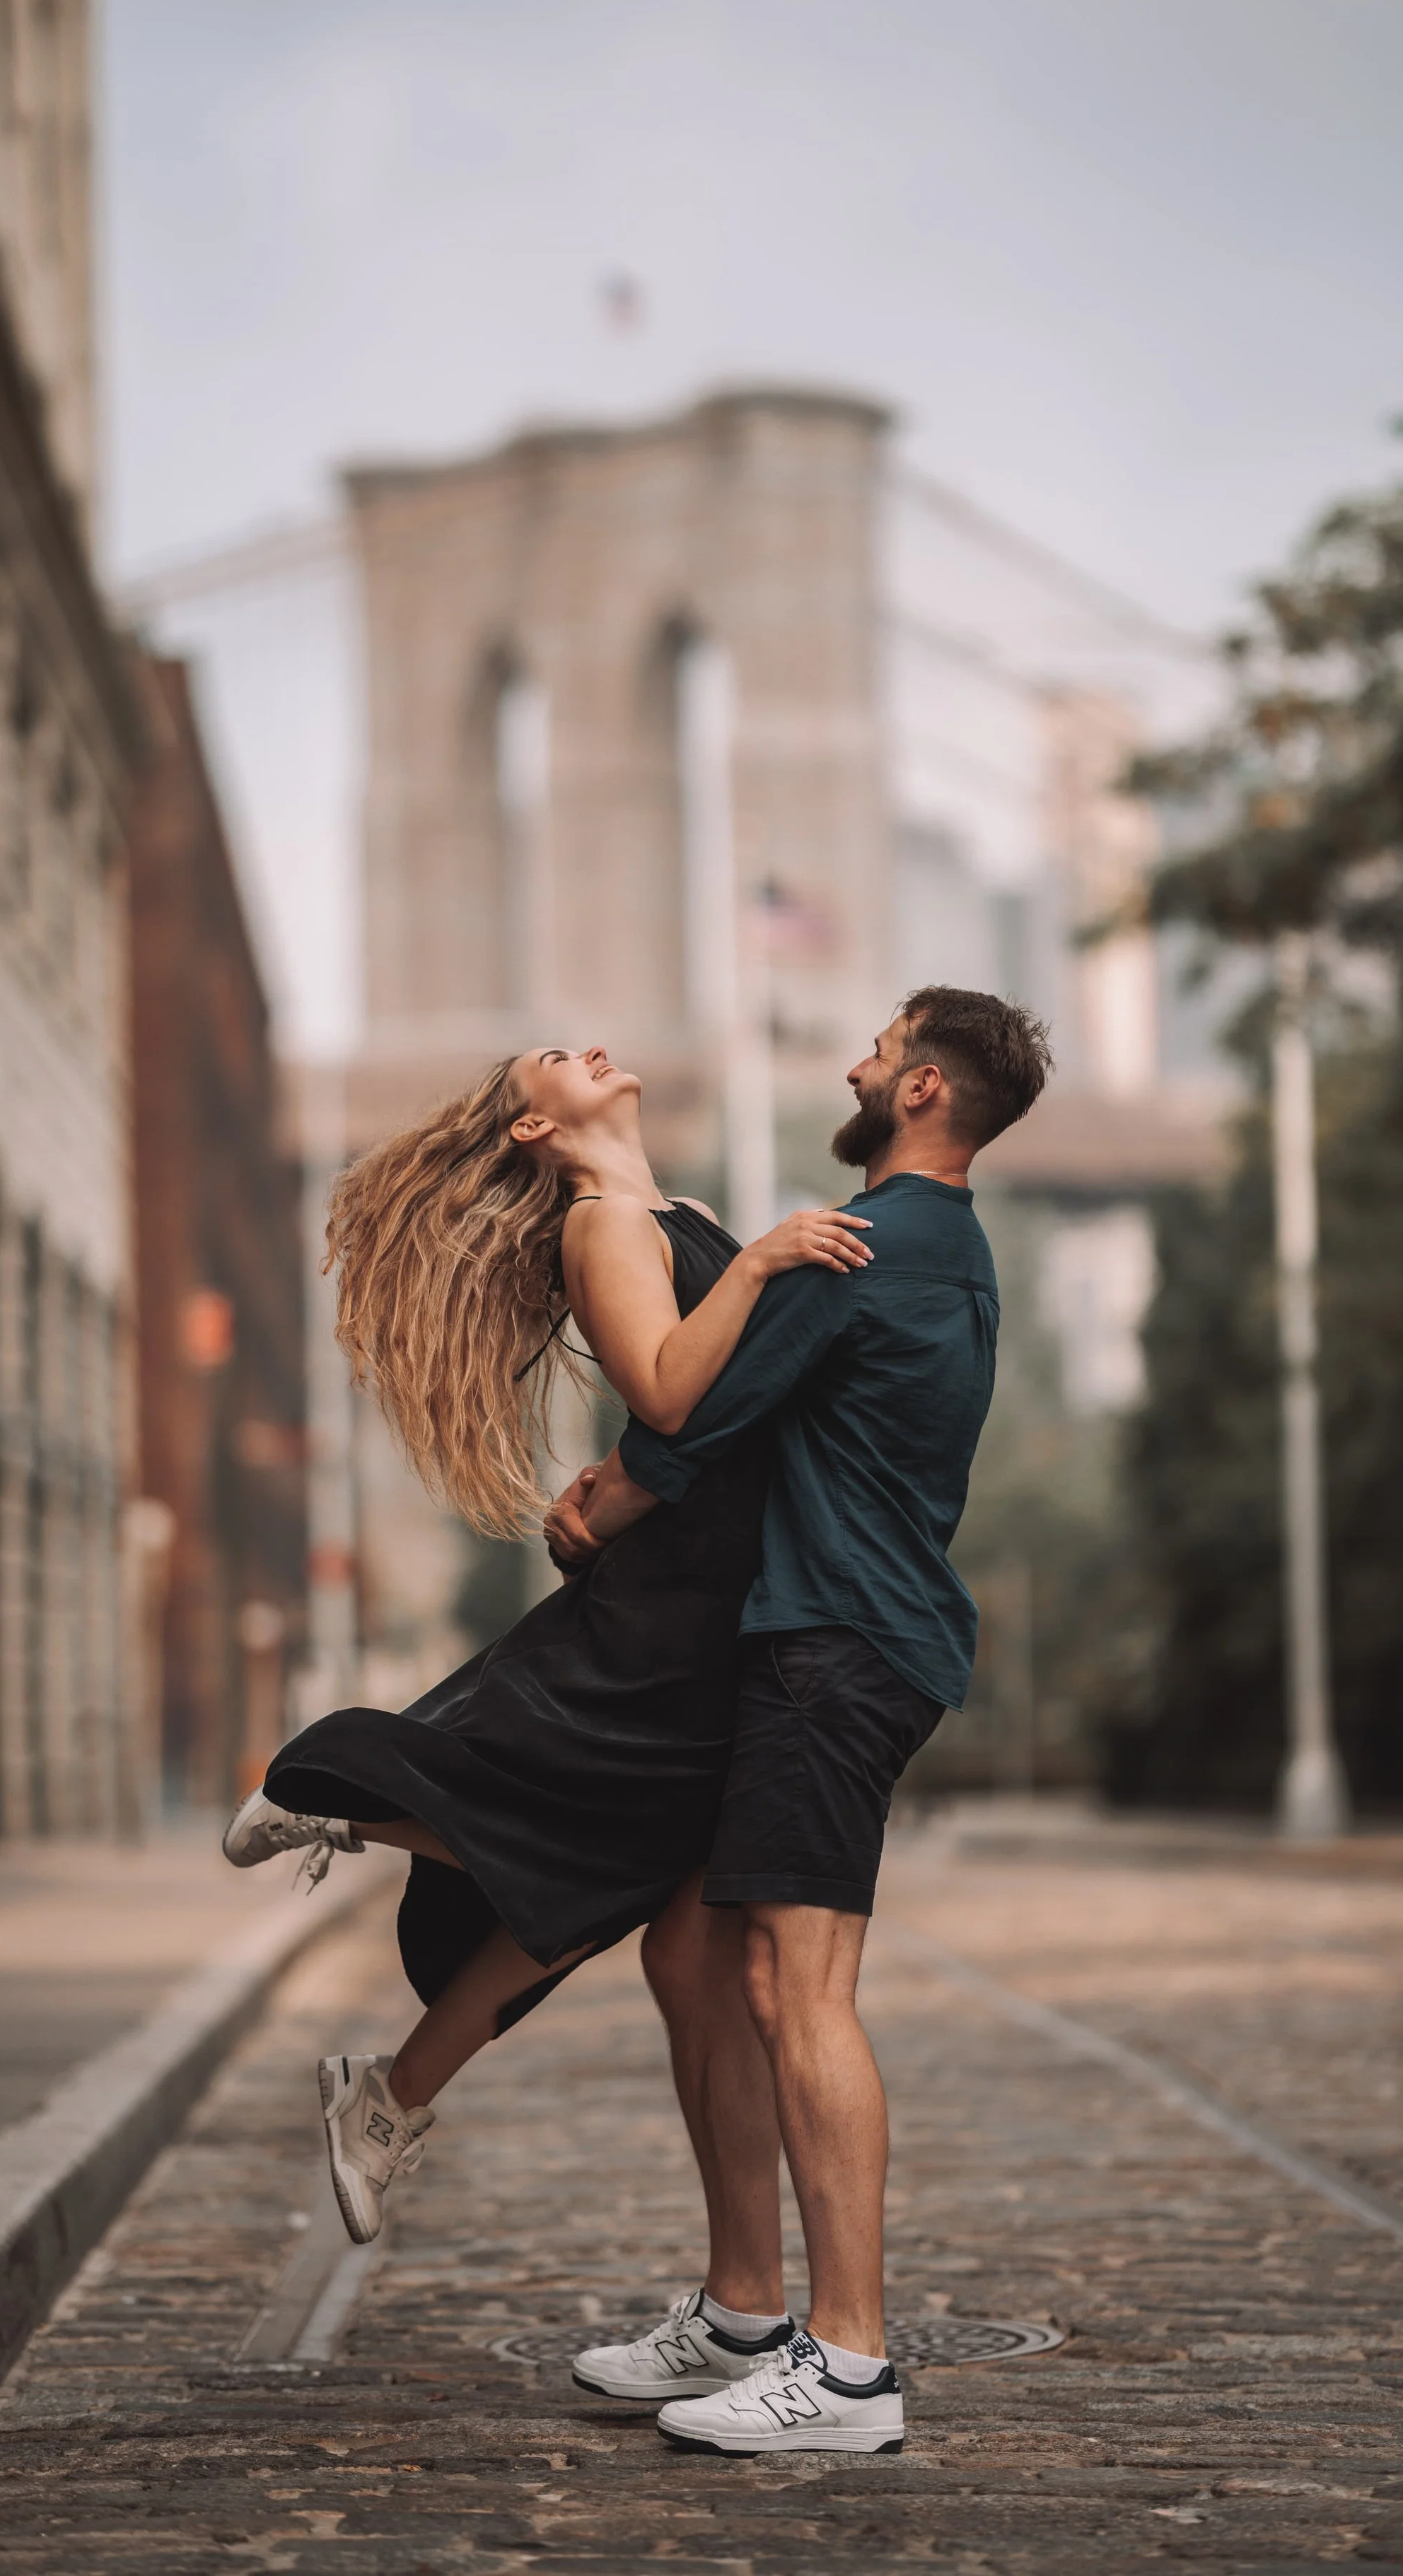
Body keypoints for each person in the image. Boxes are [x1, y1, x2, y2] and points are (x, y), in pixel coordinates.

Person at [221, 1042, 873, 2254]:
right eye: (555, 1060)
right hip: (681, 1596)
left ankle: (391, 2096)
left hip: (733, 1585)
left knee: (597, 1888)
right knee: (597, 1857)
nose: (594, 1050)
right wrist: (773, 1259)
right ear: (533, 1128)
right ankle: (334, 1803)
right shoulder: (603, 1225)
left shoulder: (680, 1213)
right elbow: (673, 1397)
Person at [547, 985, 1051, 2457]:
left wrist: (594, 1508)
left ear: (921, 1092)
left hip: (831, 1643)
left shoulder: (859, 1241)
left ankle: (845, 2367)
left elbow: (696, 1416)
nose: (855, 1056)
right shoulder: (948, 1246)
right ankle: (744, 2310)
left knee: (795, 1988)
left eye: (884, 1045)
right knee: (693, 1944)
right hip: (847, 1634)